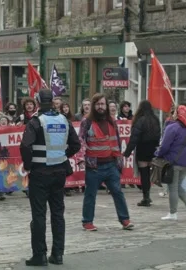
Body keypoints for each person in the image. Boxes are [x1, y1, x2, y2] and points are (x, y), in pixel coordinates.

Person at [20, 89, 81, 266]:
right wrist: (62, 155)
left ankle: (39, 255)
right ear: (53, 101)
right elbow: (76, 145)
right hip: (59, 173)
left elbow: (25, 146)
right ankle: (58, 254)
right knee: (57, 214)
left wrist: (29, 164)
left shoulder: (36, 121)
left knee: (39, 215)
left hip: (40, 173)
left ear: (38, 101)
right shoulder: (64, 120)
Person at [80, 93, 134, 231]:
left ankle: (125, 220)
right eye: (97, 104)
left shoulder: (112, 122)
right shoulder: (87, 122)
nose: (100, 107)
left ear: (106, 106)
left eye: (102, 104)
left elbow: (116, 140)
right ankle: (87, 222)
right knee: (90, 195)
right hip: (94, 166)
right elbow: (81, 141)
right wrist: (81, 158)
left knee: (118, 192)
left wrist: (119, 162)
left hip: (111, 165)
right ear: (93, 106)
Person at [155, 105, 186, 220]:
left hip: (174, 163)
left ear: (177, 115)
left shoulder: (172, 128)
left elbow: (164, 146)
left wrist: (158, 155)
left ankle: (173, 213)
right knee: (178, 186)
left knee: (172, 187)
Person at [123, 100, 161, 207]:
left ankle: (146, 197)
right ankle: (147, 195)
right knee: (148, 173)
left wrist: (127, 152)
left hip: (143, 148)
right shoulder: (155, 119)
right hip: (153, 148)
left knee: (144, 173)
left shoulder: (140, 120)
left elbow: (134, 138)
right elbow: (159, 134)